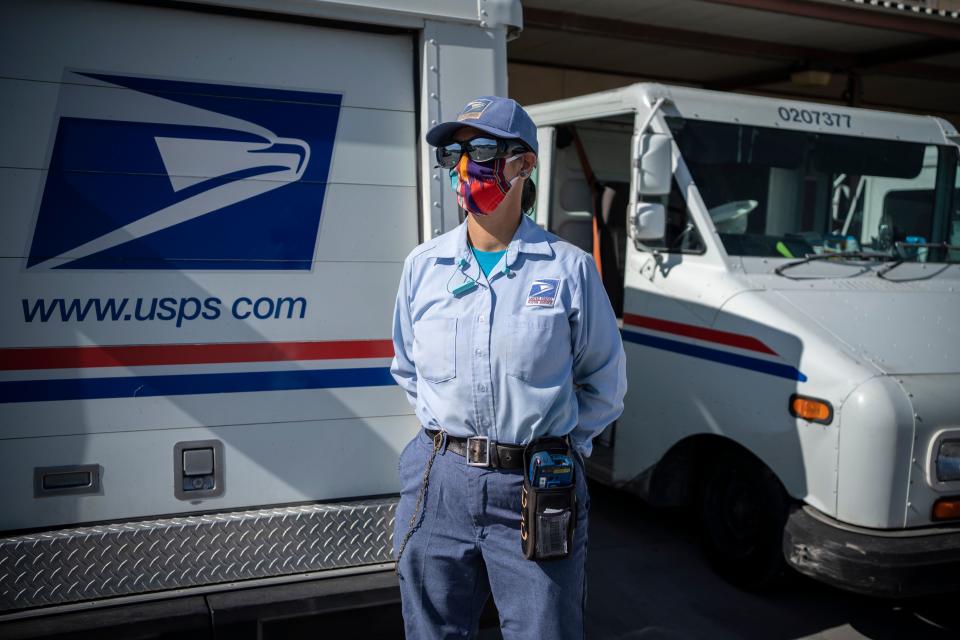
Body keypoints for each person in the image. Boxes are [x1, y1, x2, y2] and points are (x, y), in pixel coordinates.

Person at [390, 95, 626, 639]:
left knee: (543, 630)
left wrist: (555, 449)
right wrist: (444, 439)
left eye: (484, 151)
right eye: (456, 154)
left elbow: (605, 385)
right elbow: (406, 367)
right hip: (437, 481)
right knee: (432, 631)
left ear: (523, 165)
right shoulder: (423, 268)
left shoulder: (569, 271)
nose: (466, 168)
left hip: (536, 483)